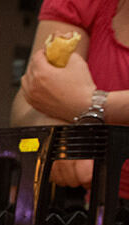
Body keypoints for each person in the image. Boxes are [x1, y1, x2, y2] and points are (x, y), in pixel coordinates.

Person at [12, 0, 129, 195]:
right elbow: (28, 100)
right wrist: (57, 133)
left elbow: (76, 101)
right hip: (96, 206)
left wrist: (91, 104)